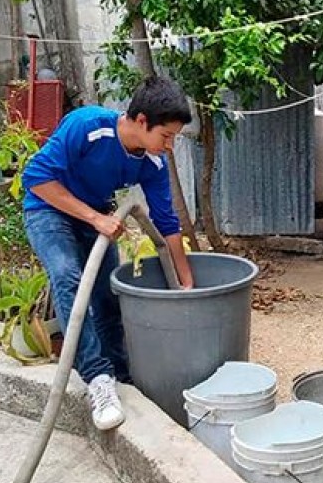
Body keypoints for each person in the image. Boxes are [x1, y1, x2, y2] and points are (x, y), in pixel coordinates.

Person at [21, 76, 194, 431]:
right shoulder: (87, 126)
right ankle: (98, 380)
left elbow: (166, 221)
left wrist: (186, 281)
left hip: (94, 215)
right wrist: (94, 217)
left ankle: (122, 374)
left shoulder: (152, 162)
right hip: (47, 209)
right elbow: (35, 178)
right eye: (166, 136)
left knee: (106, 295)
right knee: (69, 276)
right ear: (142, 120)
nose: (170, 145)